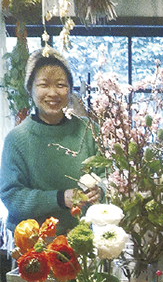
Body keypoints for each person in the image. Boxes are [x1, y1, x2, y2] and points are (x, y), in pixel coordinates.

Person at [0, 47, 102, 235]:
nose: (53, 93)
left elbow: (109, 175)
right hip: (32, 244)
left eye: (61, 85)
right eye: (44, 85)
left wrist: (101, 190)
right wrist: (59, 198)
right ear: (30, 89)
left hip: (80, 237)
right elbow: (11, 196)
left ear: (70, 90)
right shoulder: (17, 139)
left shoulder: (89, 130)